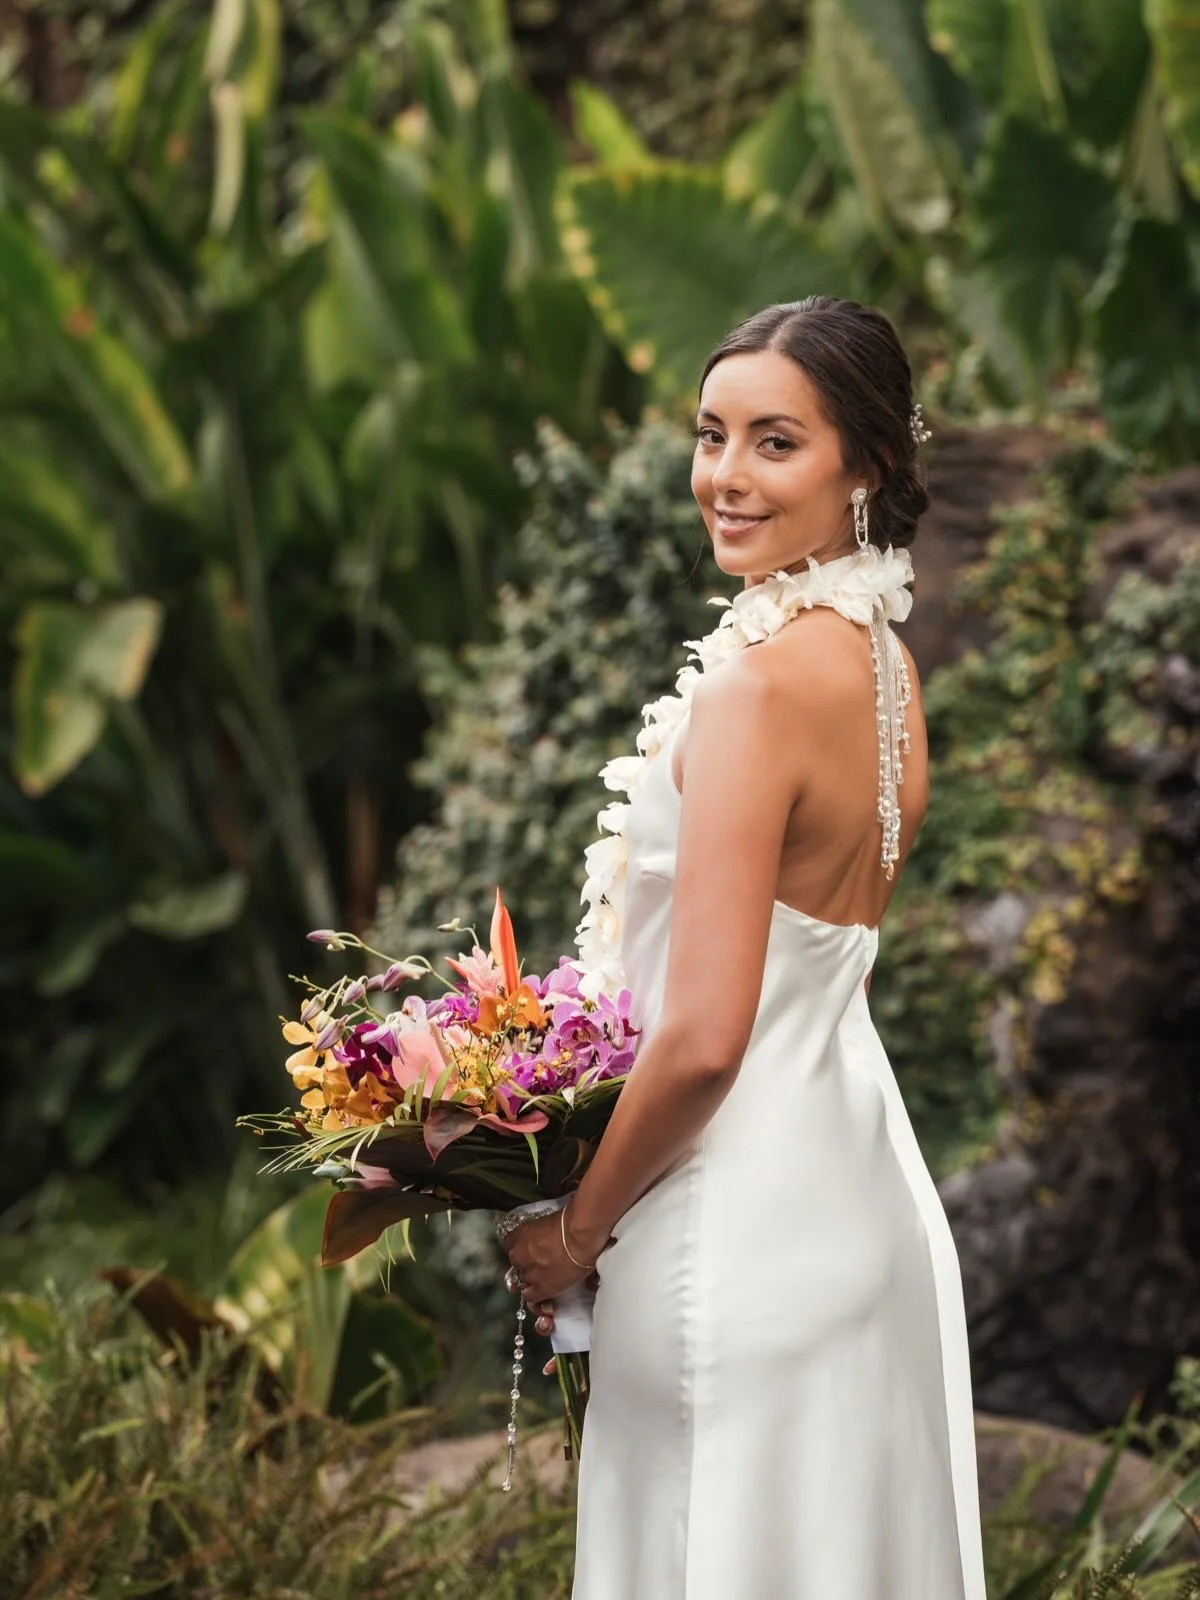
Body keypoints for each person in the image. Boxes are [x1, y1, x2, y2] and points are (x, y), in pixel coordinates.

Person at [502, 296, 986, 1599]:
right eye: (712, 436)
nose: (725, 476)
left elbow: (710, 1037)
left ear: (865, 464)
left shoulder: (759, 686)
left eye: (777, 442)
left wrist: (578, 1230)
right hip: (861, 1213)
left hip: (732, 1230)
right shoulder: (882, 664)